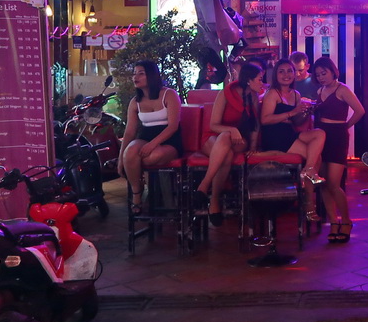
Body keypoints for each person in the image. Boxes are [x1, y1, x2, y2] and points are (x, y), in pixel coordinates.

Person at [196, 62, 264, 227]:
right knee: (225, 151)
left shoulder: (254, 97)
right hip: (214, 137)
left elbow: (255, 125)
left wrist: (253, 146)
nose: (262, 83)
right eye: (260, 79)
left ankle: (204, 186)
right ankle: (214, 202)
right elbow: (213, 125)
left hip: (239, 141)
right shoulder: (225, 93)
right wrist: (231, 130)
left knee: (226, 144)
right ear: (249, 80)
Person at [258, 59, 327, 222]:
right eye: (281, 71)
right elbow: (265, 120)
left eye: (289, 71)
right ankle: (309, 205)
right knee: (318, 158)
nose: (286, 75)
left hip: (289, 132)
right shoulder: (272, 93)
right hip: (275, 136)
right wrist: (291, 113)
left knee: (319, 133)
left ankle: (308, 171)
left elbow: (296, 123)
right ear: (275, 74)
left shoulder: (296, 95)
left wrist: (303, 112)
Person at [312, 57, 365, 243]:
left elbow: (360, 111)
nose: (321, 77)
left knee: (334, 184)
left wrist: (345, 126)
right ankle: (333, 221)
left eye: (324, 73)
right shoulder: (319, 91)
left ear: (333, 71)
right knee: (324, 183)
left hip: (336, 137)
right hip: (319, 137)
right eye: (318, 74)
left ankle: (347, 221)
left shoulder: (342, 89)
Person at [121, 61, 183, 214]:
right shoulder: (135, 102)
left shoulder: (169, 94)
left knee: (147, 158)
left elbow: (173, 126)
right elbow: (130, 132)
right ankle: (137, 193)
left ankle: (148, 188)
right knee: (129, 153)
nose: (136, 77)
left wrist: (153, 144)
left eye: (141, 73)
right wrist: (120, 157)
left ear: (152, 75)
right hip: (146, 137)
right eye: (134, 73)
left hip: (169, 140)